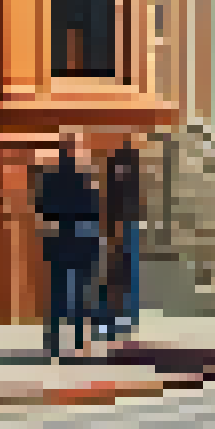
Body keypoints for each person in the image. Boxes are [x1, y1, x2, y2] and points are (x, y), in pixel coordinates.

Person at [34, 137, 102, 363]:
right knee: (80, 293)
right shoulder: (84, 178)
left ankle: (52, 342)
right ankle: (78, 342)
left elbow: (41, 207)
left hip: (57, 240)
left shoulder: (50, 178)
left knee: (56, 291)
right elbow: (94, 209)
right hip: (79, 240)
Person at [98, 139, 141, 342]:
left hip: (122, 223)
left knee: (120, 274)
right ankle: (122, 319)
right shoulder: (123, 167)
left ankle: (122, 319)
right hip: (120, 223)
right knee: (120, 274)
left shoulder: (121, 167)